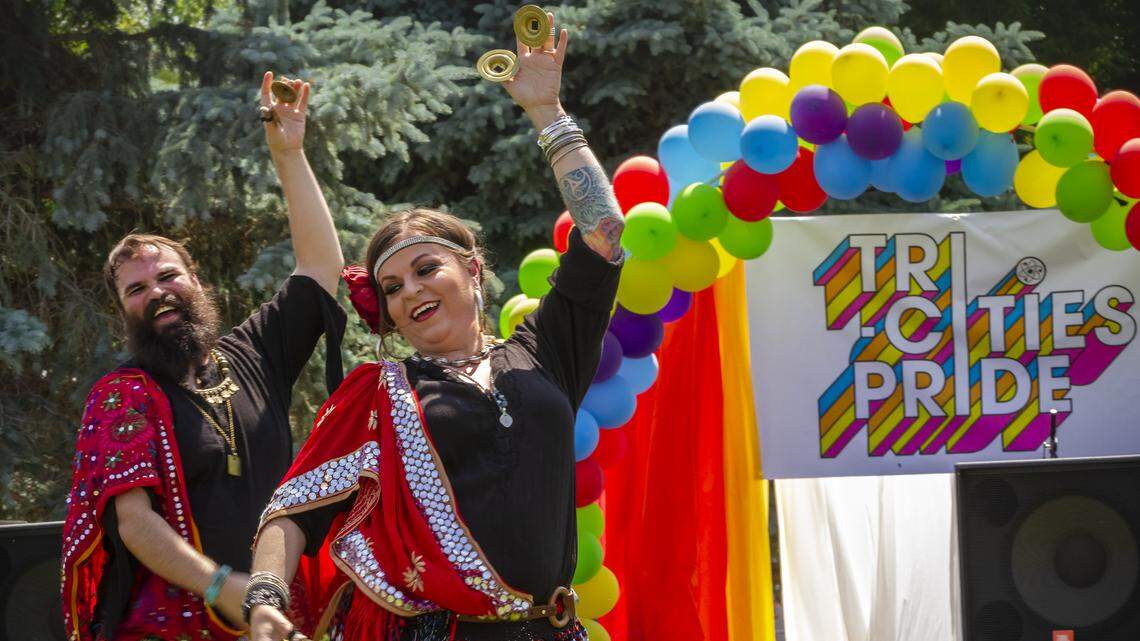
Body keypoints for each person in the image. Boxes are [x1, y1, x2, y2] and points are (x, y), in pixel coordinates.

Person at [245, 13, 625, 641]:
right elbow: (292, 513)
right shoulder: (379, 394)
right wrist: (265, 599)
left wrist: (548, 112)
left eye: (427, 269)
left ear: (473, 273)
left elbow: (605, 234)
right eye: (393, 288)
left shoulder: (547, 350)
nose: (412, 291)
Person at [61, 72, 346, 641]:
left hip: (284, 618)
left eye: (167, 275)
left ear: (196, 282)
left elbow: (319, 271)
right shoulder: (123, 393)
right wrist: (223, 586)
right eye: (136, 289)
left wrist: (288, 153)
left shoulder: (251, 355)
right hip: (177, 625)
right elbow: (134, 521)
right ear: (123, 311)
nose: (156, 291)